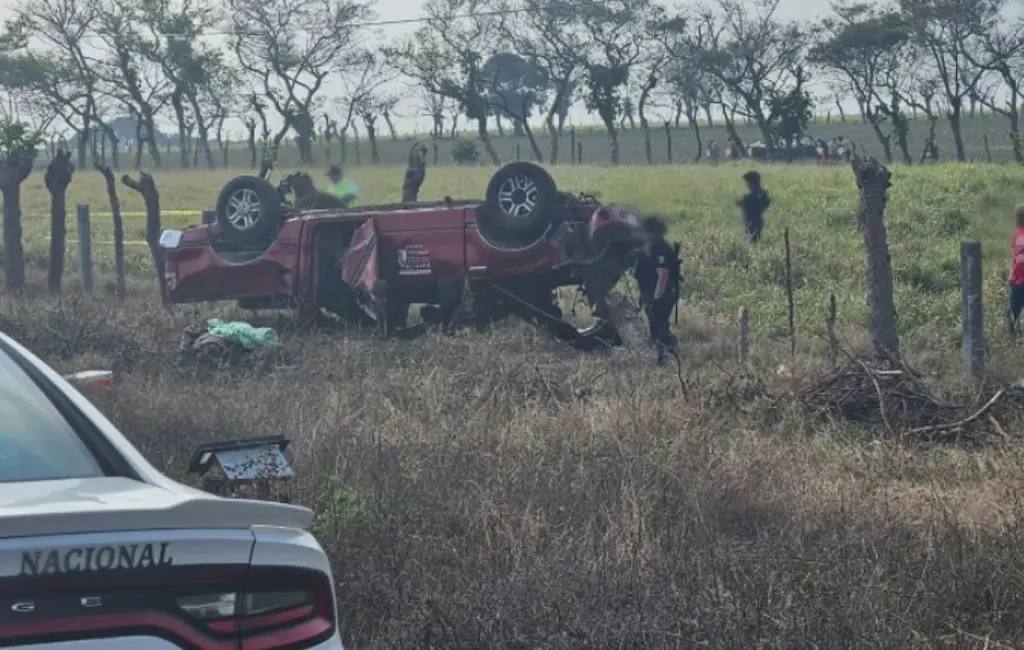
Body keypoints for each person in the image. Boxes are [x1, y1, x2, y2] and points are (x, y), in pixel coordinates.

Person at [633, 216, 680, 364]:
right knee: (655, 324)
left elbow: (663, 276)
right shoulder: (649, 247)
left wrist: (657, 298)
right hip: (650, 292)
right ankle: (663, 353)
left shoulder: (661, 249)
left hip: (662, 293)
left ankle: (666, 354)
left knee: (659, 325)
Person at [738, 170, 771, 244]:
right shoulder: (759, 194)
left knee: (753, 241)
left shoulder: (755, 195)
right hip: (752, 221)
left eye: (748, 182)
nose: (747, 185)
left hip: (754, 221)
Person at [1007, 204, 1024, 336]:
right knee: (1012, 311)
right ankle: (1014, 337)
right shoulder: (1016, 234)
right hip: (1018, 280)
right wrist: (1011, 274)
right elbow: (1013, 257)